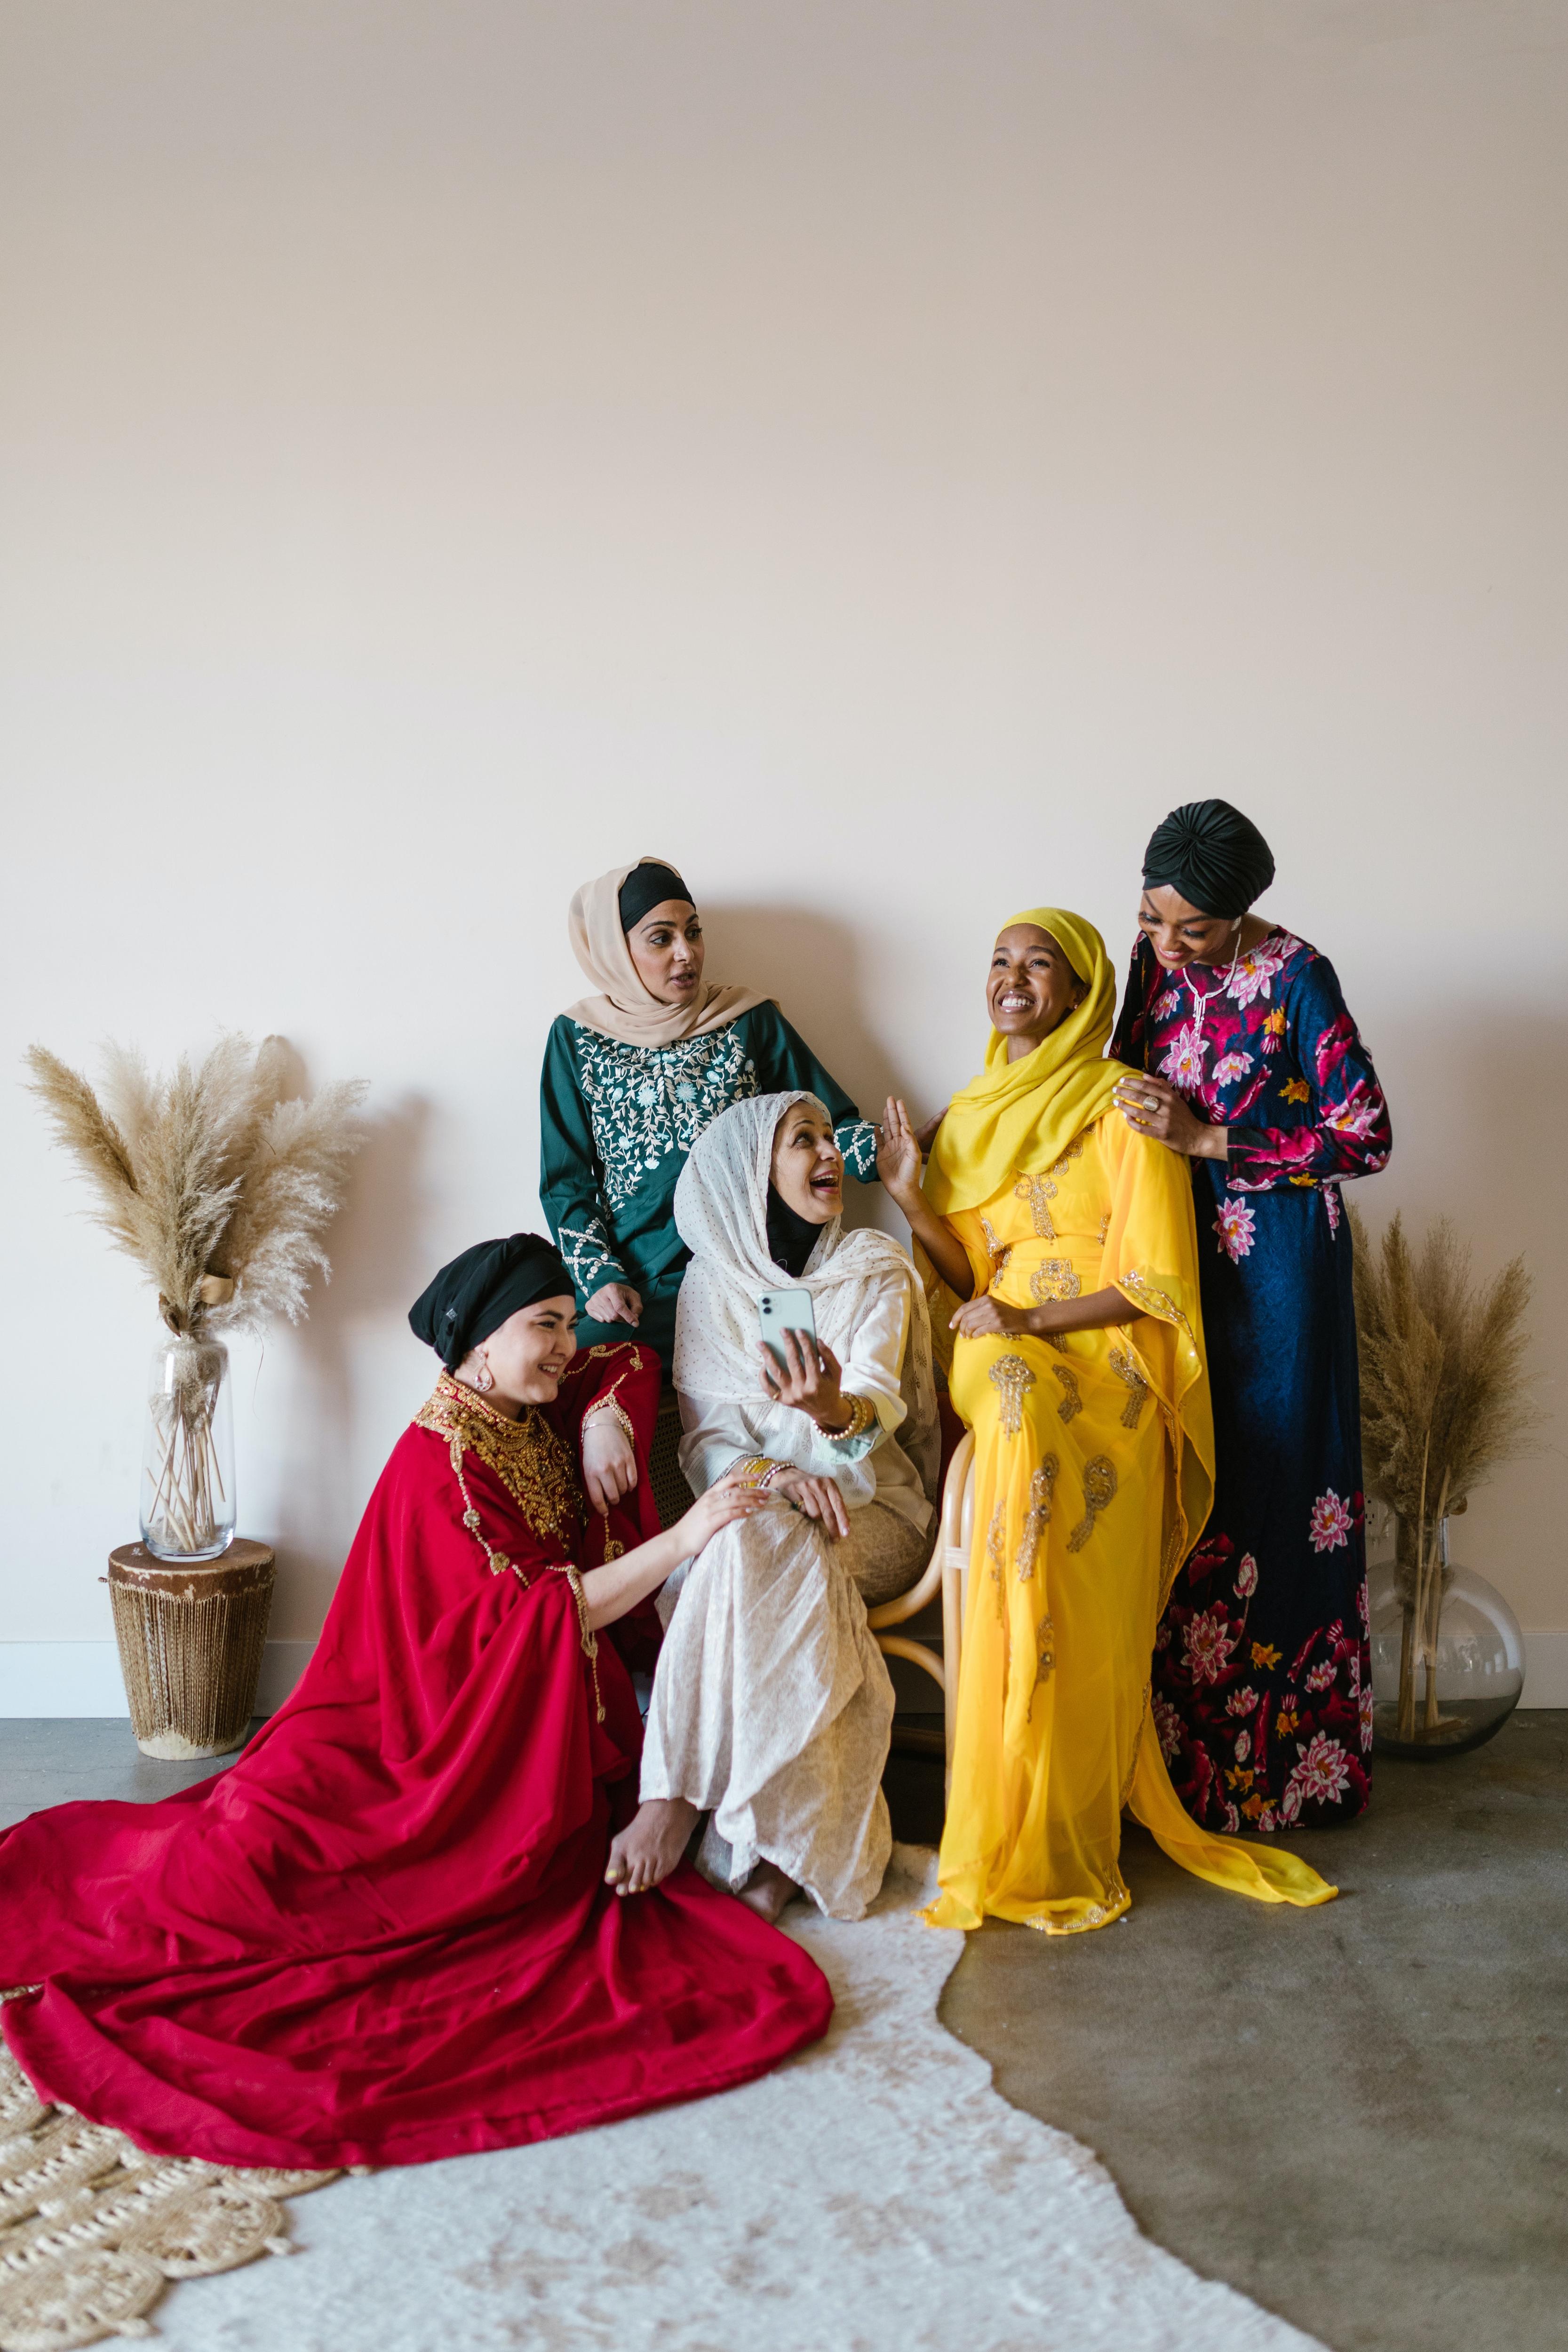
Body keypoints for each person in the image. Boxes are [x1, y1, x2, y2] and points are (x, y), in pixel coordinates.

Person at [0, 1235, 832, 2169]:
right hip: (393, 1742)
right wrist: (684, 1536)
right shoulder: (445, 1467)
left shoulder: (522, 1408)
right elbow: (536, 1620)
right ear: (480, 1343)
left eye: (567, 1322)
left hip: (461, 1723)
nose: (566, 1345)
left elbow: (627, 1355)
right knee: (236, 1881)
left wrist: (603, 1418)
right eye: (545, 1326)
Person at [880, 906, 1336, 1932]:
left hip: (1108, 1360)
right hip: (1002, 1345)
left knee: (1051, 1455)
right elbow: (968, 1280)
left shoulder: (1124, 1104)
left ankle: (1053, 1803)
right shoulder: (967, 1118)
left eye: (1040, 963)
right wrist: (911, 1202)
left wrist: (1032, 1317)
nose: (1012, 977)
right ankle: (1004, 1792)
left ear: (1082, 992)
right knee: (1012, 1395)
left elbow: (1151, 1284)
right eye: (999, 959)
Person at [1109, 799, 1391, 1833]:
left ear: (1238, 914)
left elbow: (1364, 1135)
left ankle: (1285, 1776)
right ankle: (1173, 1768)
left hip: (1279, 1273)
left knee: (1277, 1485)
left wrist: (1212, 1140)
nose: (1167, 944)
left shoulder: (1298, 976)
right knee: (1191, 1483)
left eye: (1192, 928)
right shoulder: (1150, 964)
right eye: (1151, 920)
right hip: (1175, 1258)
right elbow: (1117, 1075)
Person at [605, 1091, 939, 1924]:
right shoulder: (712, 1287)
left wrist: (830, 1411)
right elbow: (706, 1441)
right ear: (750, 1172)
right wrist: (778, 1478)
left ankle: (672, 1795)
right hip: (763, 1516)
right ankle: (784, 1847)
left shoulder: (871, 1267)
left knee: (746, 1540)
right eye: (803, 1140)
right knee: (753, 1534)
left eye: (828, 1136)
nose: (829, 1152)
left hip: (875, 1516)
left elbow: (877, 1404)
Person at [540, 858, 879, 1367]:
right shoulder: (576, 1038)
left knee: (801, 1381)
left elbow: (828, 1124)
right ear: (617, 950)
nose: (686, 953)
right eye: (661, 938)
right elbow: (565, 1181)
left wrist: (894, 1149)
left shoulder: (746, 1020)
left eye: (693, 932)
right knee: (572, 1376)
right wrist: (600, 1278)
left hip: (755, 1270)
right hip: (641, 1286)